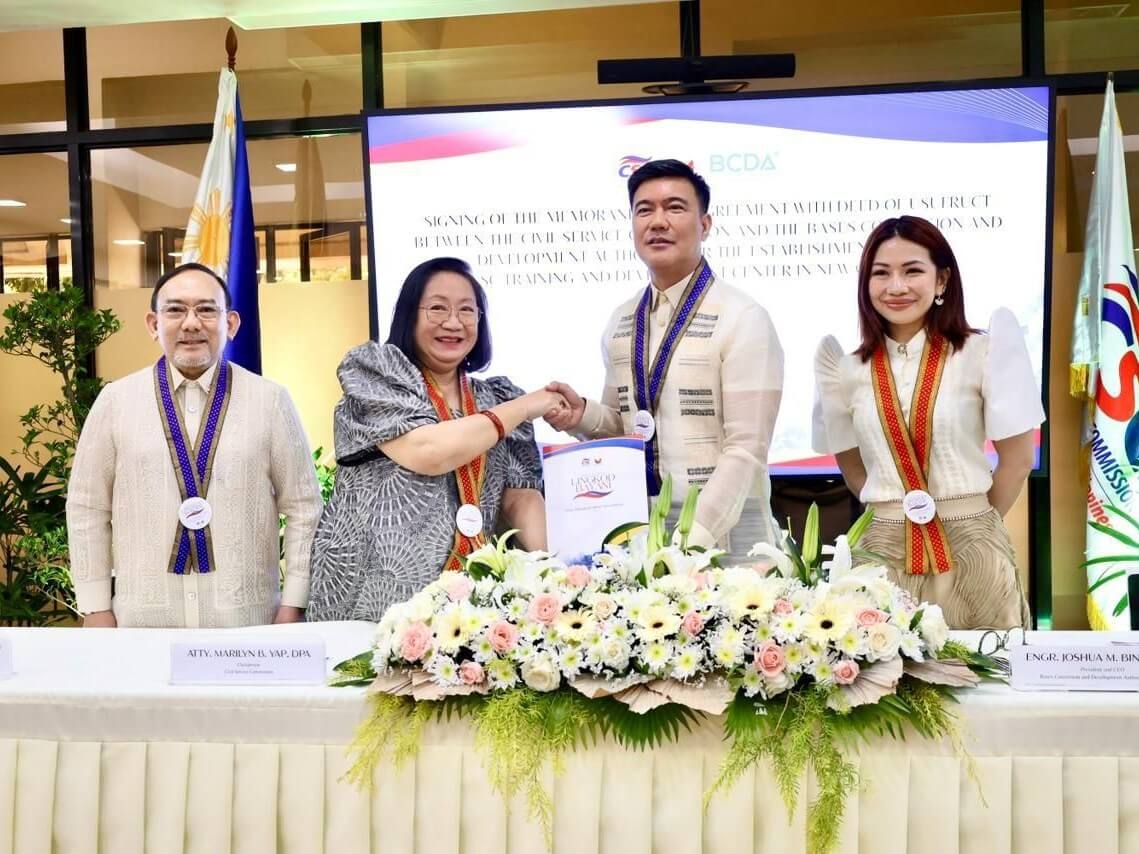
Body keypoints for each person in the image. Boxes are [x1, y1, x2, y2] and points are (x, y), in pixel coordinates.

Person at [544, 159, 784, 561]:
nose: (658, 221)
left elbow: (746, 449)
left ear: (704, 225)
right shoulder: (622, 320)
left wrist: (688, 543)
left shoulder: (743, 317)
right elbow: (624, 429)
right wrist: (581, 416)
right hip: (640, 537)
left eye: (674, 207)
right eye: (644, 209)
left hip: (728, 545)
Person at [812, 215, 1043, 629]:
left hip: (973, 549)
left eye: (912, 270)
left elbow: (1018, 458)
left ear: (941, 281)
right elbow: (852, 467)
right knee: (883, 683)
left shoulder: (982, 351)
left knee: (989, 681)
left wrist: (974, 520)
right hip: (880, 553)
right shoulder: (844, 369)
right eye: (881, 273)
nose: (896, 286)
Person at [306, 257, 565, 622]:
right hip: (371, 596)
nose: (453, 322)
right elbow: (427, 451)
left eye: (466, 310)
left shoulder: (500, 398)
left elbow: (519, 497)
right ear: (410, 315)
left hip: (468, 601)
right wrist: (525, 407)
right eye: (437, 308)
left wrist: (553, 569)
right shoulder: (377, 375)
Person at [67, 263, 323, 628]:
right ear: (153, 324)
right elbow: (87, 508)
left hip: (248, 627)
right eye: (175, 310)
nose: (191, 323)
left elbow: (305, 507)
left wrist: (294, 604)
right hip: (142, 626)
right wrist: (95, 608)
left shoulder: (270, 401)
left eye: (206, 309)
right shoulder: (115, 401)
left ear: (230, 324)